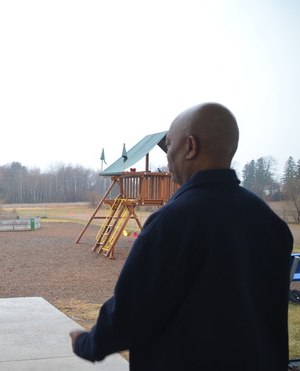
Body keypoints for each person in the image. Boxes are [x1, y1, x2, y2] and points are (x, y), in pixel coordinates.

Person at [70, 103, 293, 370]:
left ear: (190, 147)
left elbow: (132, 313)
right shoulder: (270, 223)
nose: (167, 156)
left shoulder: (171, 223)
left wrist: (87, 343)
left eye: (170, 145)